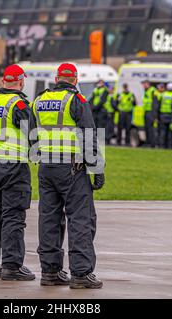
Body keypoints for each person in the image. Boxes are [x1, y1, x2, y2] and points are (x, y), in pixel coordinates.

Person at [33, 63, 105, 289]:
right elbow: (88, 135)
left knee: (49, 219)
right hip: (72, 168)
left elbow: (31, 134)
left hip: (46, 167)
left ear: (57, 78)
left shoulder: (39, 100)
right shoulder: (76, 101)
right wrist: (97, 169)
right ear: (75, 79)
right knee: (81, 219)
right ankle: (81, 274)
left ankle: (50, 272)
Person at [0, 64, 37, 281]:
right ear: (21, 82)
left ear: (4, 81)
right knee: (13, 217)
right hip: (14, 166)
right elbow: (32, 135)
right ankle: (12, 266)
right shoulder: (19, 104)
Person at [141, 80, 160, 148]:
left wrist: (154, 115)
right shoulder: (146, 91)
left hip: (151, 112)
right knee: (146, 129)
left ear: (148, 84)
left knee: (150, 129)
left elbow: (155, 104)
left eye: (144, 84)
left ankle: (152, 144)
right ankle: (148, 143)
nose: (143, 86)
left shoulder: (153, 91)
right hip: (146, 112)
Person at [158, 82, 172, 149]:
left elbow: (159, 105)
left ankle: (162, 145)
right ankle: (169, 145)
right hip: (170, 114)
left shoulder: (163, 94)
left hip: (163, 114)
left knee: (163, 131)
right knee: (170, 131)